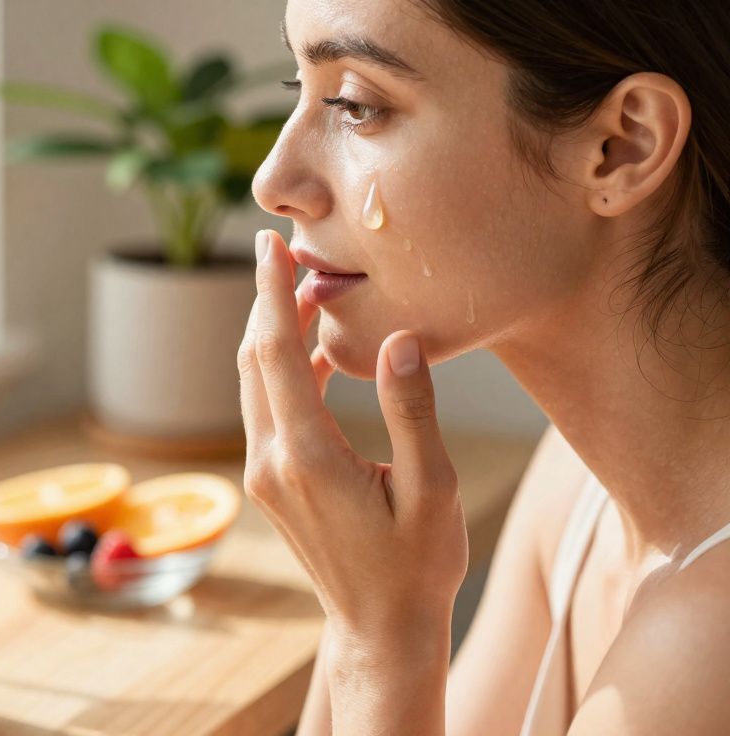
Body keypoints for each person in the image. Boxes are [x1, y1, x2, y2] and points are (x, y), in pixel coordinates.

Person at [240, 0, 730, 733]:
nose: (274, 179)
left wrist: (380, 638)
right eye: (300, 90)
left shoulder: (707, 643)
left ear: (622, 147)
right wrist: (359, 609)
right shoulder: (579, 486)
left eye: (357, 104)